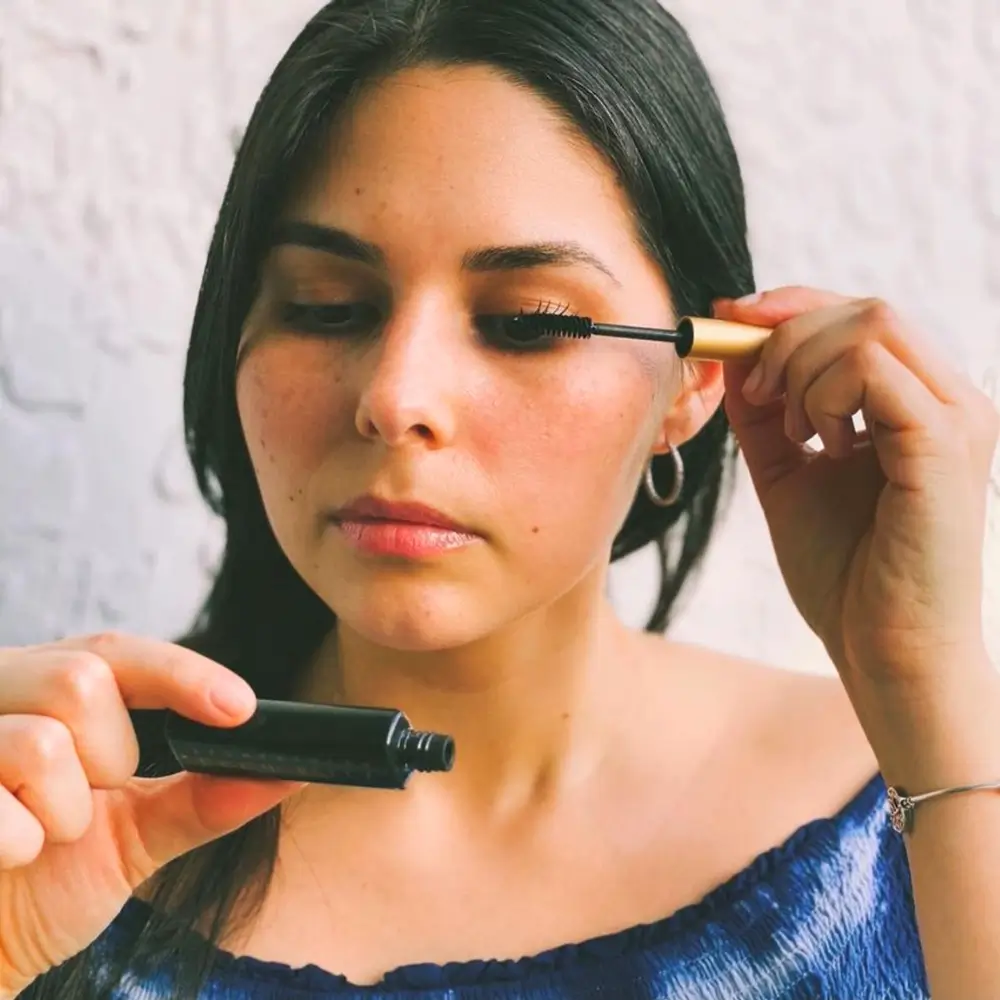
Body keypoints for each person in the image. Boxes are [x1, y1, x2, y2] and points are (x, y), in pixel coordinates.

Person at [1, 0, 998, 997]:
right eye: (326, 307)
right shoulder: (65, 837)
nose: (395, 398)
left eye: (526, 322)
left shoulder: (900, 800)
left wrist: (928, 687)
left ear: (695, 382)